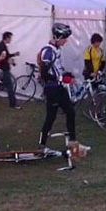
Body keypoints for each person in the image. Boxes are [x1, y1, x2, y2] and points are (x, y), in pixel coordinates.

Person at [38, 23, 82, 156]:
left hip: (59, 88)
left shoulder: (57, 50)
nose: (66, 41)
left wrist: (67, 75)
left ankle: (74, 145)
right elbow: (45, 74)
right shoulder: (48, 51)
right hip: (52, 89)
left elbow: (57, 70)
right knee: (50, 118)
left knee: (71, 112)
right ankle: (41, 145)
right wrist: (62, 79)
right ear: (57, 37)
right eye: (64, 38)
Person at [0, 31, 20, 109]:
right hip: (3, 69)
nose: (11, 40)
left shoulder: (3, 45)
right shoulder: (1, 46)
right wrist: (7, 61)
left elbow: (5, 56)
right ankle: (13, 104)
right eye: (10, 38)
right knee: (10, 87)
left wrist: (14, 54)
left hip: (1, 68)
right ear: (7, 38)